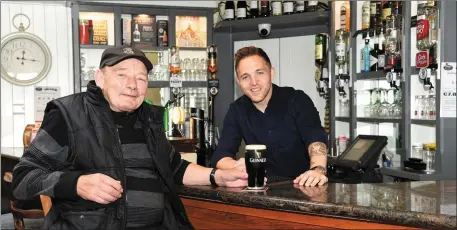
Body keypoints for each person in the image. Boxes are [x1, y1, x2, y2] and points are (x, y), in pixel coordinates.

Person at [12, 46, 248, 230]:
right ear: (100, 78)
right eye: (121, 74)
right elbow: (24, 178)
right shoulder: (69, 114)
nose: (132, 85)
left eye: (141, 78)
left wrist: (219, 176)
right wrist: (76, 184)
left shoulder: (148, 119)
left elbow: (175, 168)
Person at [211, 46, 329, 187]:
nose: (253, 82)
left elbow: (315, 138)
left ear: (271, 73)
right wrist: (238, 165)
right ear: (238, 82)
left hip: (303, 186)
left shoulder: (297, 100)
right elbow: (221, 155)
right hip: (261, 189)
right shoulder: (237, 110)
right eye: (245, 77)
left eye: (260, 73)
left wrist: (318, 169)